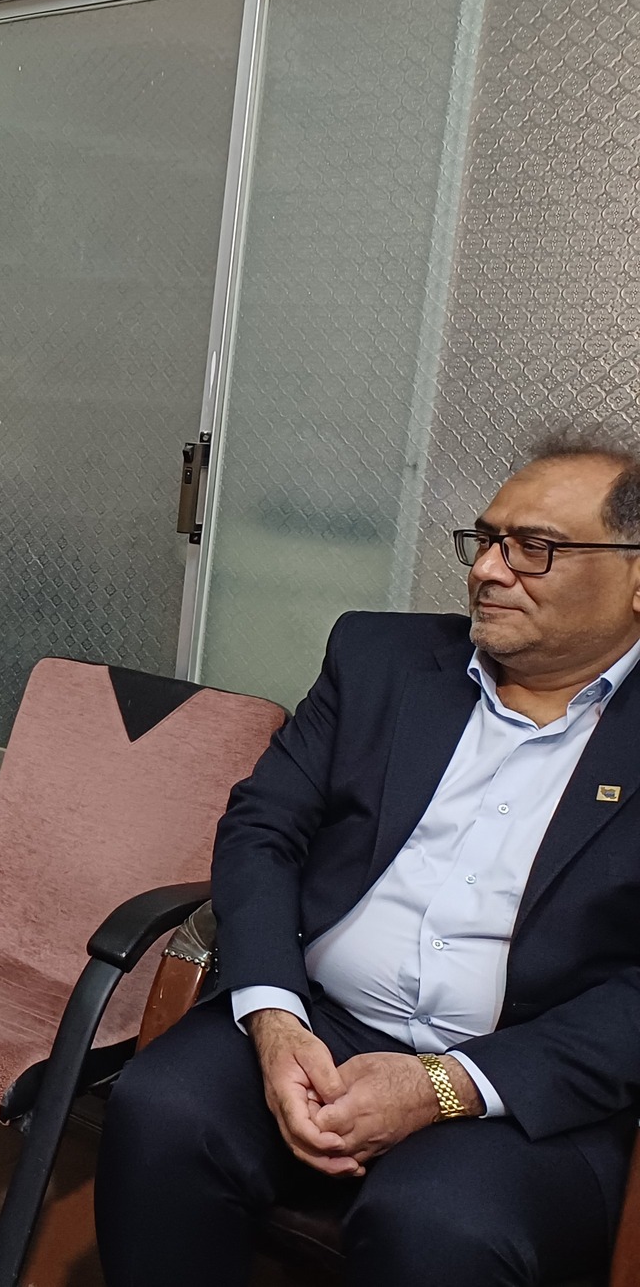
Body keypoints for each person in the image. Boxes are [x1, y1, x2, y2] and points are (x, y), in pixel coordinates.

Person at [96, 433, 640, 1286]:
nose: (488, 570)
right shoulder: (380, 659)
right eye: (485, 540)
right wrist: (274, 1017)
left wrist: (445, 1085)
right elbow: (263, 829)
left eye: (533, 548)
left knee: (439, 1225)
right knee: (159, 1111)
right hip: (321, 1019)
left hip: (516, 1071)